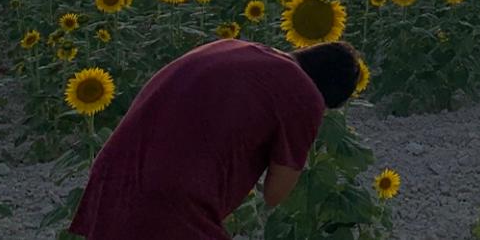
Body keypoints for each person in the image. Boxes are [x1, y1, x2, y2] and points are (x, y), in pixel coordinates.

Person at [69, 39, 361, 239]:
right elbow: (275, 194)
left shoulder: (237, 48)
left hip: (113, 177)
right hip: (171, 199)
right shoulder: (304, 93)